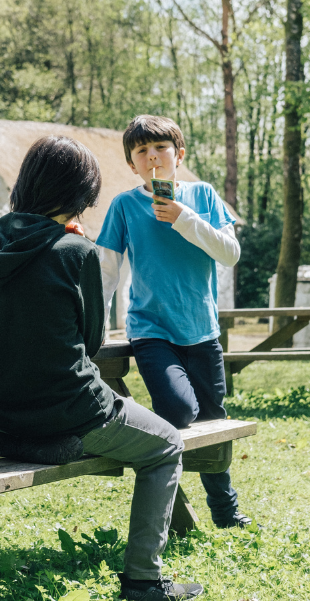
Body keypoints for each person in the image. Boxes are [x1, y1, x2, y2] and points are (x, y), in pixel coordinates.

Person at [0, 135, 204, 601]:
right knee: (168, 444)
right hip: (73, 409)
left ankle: (38, 440)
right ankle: (143, 581)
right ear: (78, 196)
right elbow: (91, 343)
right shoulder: (77, 253)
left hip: (0, 410)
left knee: (139, 427)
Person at [95, 115, 249, 529]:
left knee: (214, 424)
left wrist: (183, 217)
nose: (153, 158)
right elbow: (107, 270)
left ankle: (225, 510)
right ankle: (168, 502)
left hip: (202, 330)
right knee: (180, 412)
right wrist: (92, 324)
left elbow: (229, 253)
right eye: (141, 152)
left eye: (160, 148)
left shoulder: (204, 195)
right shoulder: (124, 205)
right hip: (150, 331)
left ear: (178, 154)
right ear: (132, 165)